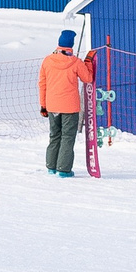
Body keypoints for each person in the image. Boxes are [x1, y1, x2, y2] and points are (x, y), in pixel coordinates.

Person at [37, 30, 91, 177]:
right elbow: (87, 78)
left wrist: (43, 105)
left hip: (52, 105)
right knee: (67, 137)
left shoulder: (47, 61)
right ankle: (63, 169)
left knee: (54, 135)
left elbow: (42, 84)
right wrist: (88, 64)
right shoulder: (76, 62)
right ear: (71, 45)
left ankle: (51, 166)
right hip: (70, 107)